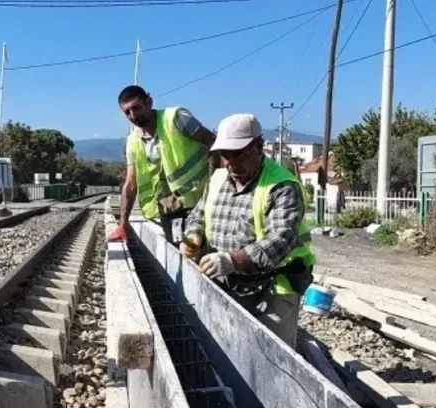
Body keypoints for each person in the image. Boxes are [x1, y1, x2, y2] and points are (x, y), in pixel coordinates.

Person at [180, 113, 316, 348]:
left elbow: (281, 238)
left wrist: (233, 260)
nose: (231, 162)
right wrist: (194, 235)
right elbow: (198, 214)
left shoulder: (282, 186)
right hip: (226, 284)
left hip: (272, 290)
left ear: (259, 147)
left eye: (238, 153)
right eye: (225, 155)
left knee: (272, 358)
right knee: (228, 350)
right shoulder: (218, 178)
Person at [108, 85, 215, 244]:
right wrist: (123, 224)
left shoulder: (175, 118)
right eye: (127, 112)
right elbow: (130, 183)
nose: (133, 115)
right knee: (181, 252)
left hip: (199, 203)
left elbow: (213, 142)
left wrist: (216, 185)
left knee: (204, 252)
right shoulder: (133, 141)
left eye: (136, 108)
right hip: (169, 209)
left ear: (149, 102)